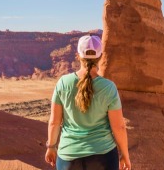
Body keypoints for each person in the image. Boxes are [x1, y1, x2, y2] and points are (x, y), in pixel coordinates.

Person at [45, 35, 131, 170]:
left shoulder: (63, 83)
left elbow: (54, 122)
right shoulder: (108, 87)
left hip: (69, 157)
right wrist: (125, 155)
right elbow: (118, 126)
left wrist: (51, 147)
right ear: (101, 56)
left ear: (78, 56)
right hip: (104, 157)